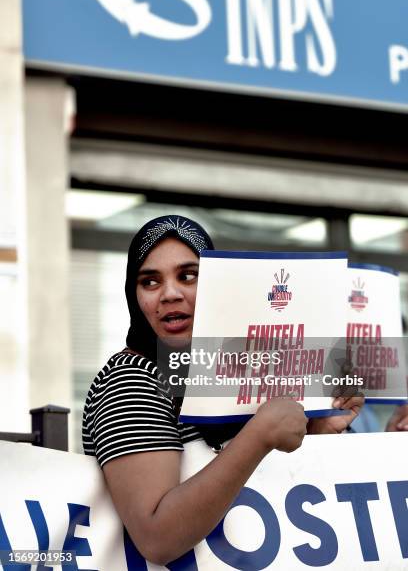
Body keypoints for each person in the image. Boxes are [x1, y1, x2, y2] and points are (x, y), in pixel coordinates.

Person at [82, 215, 363, 565]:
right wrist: (259, 435)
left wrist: (320, 430)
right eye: (150, 281)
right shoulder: (131, 378)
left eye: (188, 275)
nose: (170, 293)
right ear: (133, 295)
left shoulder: (234, 368)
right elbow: (157, 538)